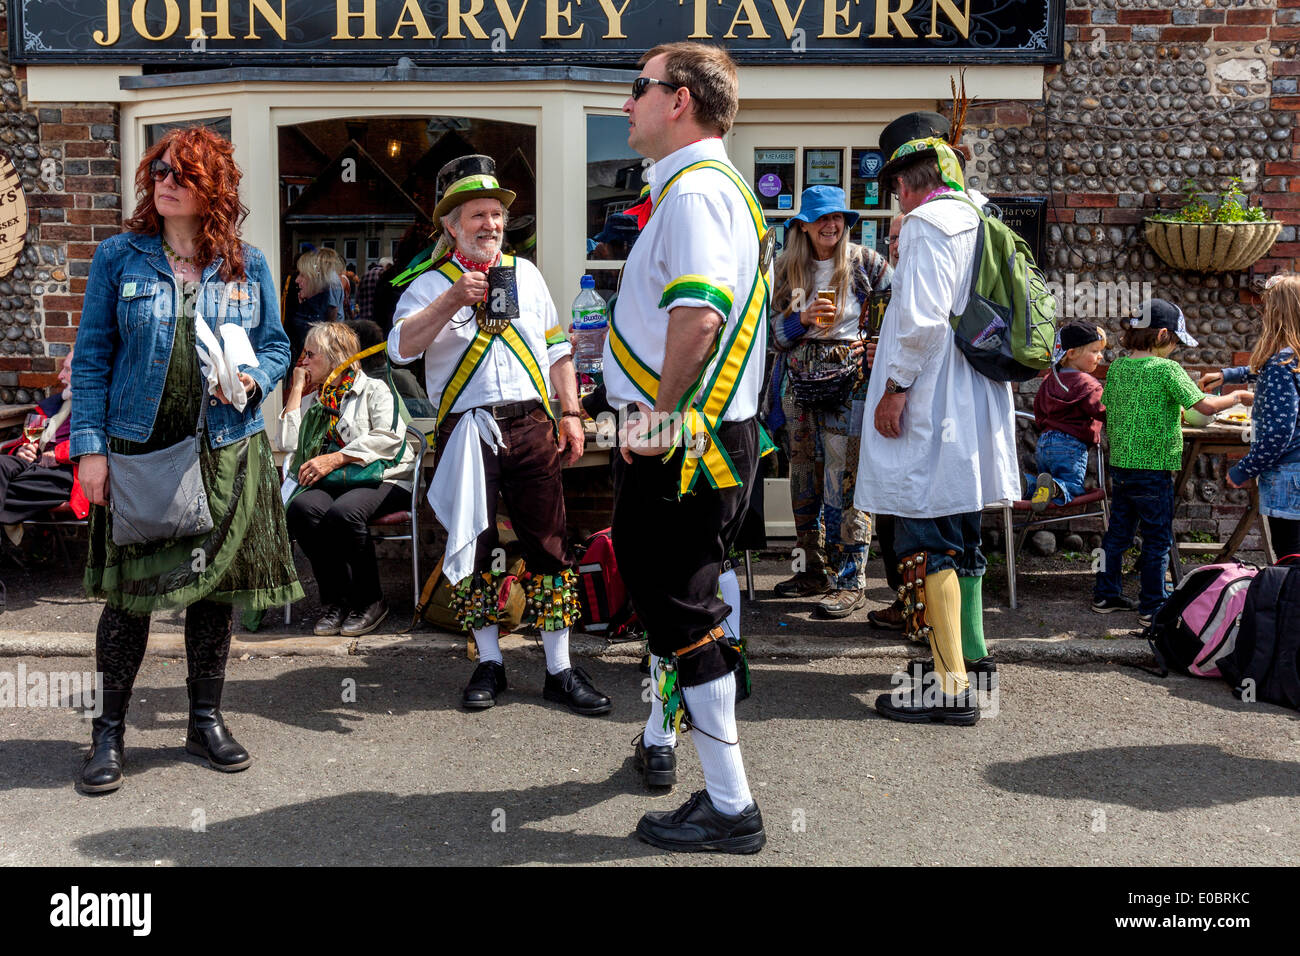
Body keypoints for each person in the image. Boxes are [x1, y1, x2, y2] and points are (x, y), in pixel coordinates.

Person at [71, 124, 302, 794]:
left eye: (182, 173)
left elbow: (278, 345)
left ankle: (204, 720)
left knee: (214, 594)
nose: (165, 181)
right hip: (141, 450)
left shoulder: (246, 264)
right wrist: (90, 450)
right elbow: (91, 360)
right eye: (161, 170)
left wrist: (253, 377)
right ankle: (107, 734)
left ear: (213, 188)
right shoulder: (120, 257)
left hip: (227, 449)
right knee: (130, 596)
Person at [607, 42, 767, 853]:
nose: (626, 100)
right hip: (698, 436)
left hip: (683, 439)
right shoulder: (700, 189)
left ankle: (732, 806)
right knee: (682, 607)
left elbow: (698, 317)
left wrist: (657, 416)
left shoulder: (698, 194)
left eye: (637, 86)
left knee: (681, 609)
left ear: (679, 100)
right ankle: (688, 763)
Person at [388, 153, 610, 717]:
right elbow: (399, 349)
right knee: (477, 548)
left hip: (533, 424)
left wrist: (569, 413)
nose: (491, 224)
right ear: (452, 226)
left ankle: (559, 668)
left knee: (551, 546)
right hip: (468, 431)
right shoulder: (426, 285)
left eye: (497, 214)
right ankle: (489, 662)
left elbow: (557, 348)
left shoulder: (527, 275)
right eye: (478, 215)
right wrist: (453, 298)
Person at [854, 110, 1017, 726]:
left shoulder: (925, 224)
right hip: (972, 395)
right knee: (962, 528)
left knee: (927, 533)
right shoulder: (978, 214)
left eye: (895, 182)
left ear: (907, 180)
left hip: (932, 399)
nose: (895, 194)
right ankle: (973, 660)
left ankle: (947, 687)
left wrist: (894, 388)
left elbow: (921, 322)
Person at [769, 185, 892, 618]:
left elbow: (894, 313)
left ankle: (850, 579)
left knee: (845, 477)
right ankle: (811, 569)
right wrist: (799, 320)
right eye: (822, 217)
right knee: (803, 477)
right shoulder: (786, 269)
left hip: (850, 378)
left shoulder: (866, 264)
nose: (832, 224)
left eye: (838, 217)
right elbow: (773, 337)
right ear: (802, 224)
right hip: (798, 379)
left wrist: (875, 345)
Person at [1092, 299, 1253, 626]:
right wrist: (1236, 396)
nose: (1177, 348)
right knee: (1157, 538)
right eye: (1176, 341)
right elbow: (1205, 407)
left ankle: (1105, 594)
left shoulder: (1120, 367)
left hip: (1121, 469)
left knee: (1117, 535)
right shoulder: (1167, 369)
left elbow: (1112, 406)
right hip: (1153, 471)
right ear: (1162, 334)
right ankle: (1152, 606)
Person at [282, 322, 417, 637]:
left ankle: (370, 600)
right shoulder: (317, 399)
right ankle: (337, 601)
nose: (302, 361)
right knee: (301, 509)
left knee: (344, 514)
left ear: (334, 358)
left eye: (310, 354)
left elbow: (388, 439)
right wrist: (296, 392)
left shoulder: (374, 389)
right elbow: (288, 444)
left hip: (384, 477)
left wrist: (335, 458)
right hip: (338, 481)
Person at [1201, 275, 1300, 560]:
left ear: (1277, 314)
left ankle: (1287, 605)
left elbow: (1279, 432)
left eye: (1268, 307)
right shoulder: (1291, 358)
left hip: (1287, 476)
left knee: (1289, 559)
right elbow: (1260, 369)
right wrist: (1227, 375)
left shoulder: (1281, 366)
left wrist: (1245, 468)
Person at [0, 349, 88, 538]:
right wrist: (22, 450)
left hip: (68, 472)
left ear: (84, 374)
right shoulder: (49, 406)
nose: (60, 376)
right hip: (33, 464)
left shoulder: (97, 408)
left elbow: (97, 443)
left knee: (9, 489)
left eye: (67, 370)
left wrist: (58, 454)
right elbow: (28, 438)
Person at [1027, 321, 1108, 511]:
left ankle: (1028, 483)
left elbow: (1038, 410)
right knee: (1072, 487)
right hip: (1071, 447)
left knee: (1042, 488)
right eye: (1095, 351)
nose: (1100, 356)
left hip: (1044, 443)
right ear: (1071, 354)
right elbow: (1103, 411)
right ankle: (1054, 487)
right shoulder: (1087, 384)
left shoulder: (1049, 380)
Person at [289, 248, 344, 363]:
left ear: (315, 278)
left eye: (302, 275)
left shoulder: (316, 310)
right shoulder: (309, 305)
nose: (297, 280)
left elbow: (332, 311)